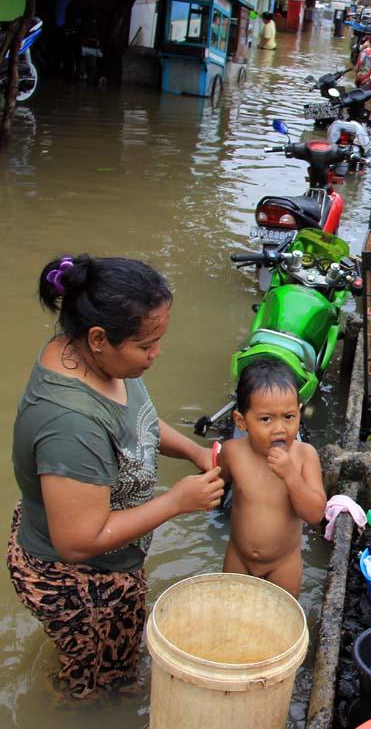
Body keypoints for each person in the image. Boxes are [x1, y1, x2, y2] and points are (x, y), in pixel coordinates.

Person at [7, 255, 224, 698]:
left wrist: (193, 451)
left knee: (118, 664)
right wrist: (176, 502)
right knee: (91, 688)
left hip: (109, 557)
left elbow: (137, 422)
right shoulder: (70, 422)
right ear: (99, 338)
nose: (156, 354)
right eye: (146, 345)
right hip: (75, 578)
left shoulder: (95, 359)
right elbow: (77, 540)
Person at [219, 360, 326, 597]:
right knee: (230, 616)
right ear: (241, 421)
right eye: (266, 419)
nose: (280, 428)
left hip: (283, 565)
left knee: (280, 624)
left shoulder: (304, 456)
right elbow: (217, 483)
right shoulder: (232, 452)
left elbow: (315, 514)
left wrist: (291, 477)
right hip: (239, 557)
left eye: (289, 416)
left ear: (299, 411)